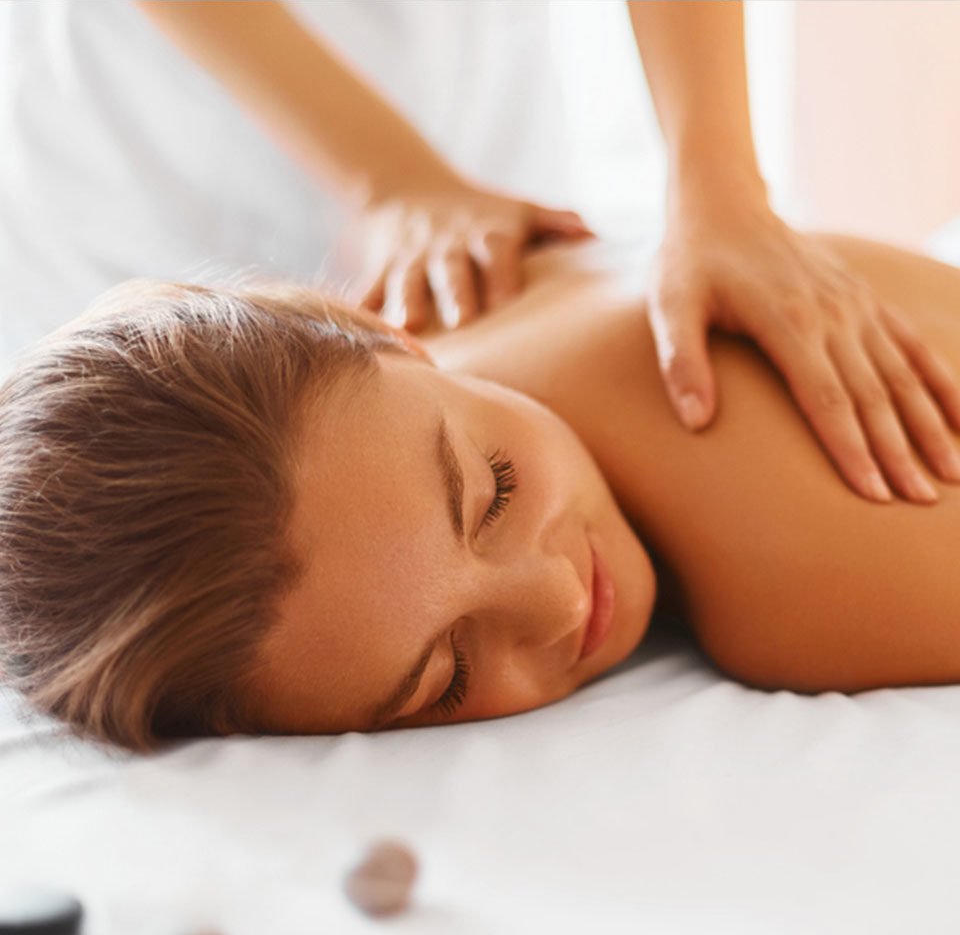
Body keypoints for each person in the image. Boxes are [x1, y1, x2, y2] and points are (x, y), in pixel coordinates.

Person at [1, 228, 960, 751]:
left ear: (376, 325)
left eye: (493, 494)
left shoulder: (797, 571)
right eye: (444, 679)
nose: (560, 601)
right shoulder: (461, 289)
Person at [1, 0, 948, 506]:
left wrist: (721, 185)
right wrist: (391, 179)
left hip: (462, 104)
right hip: (165, 132)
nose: (568, 604)